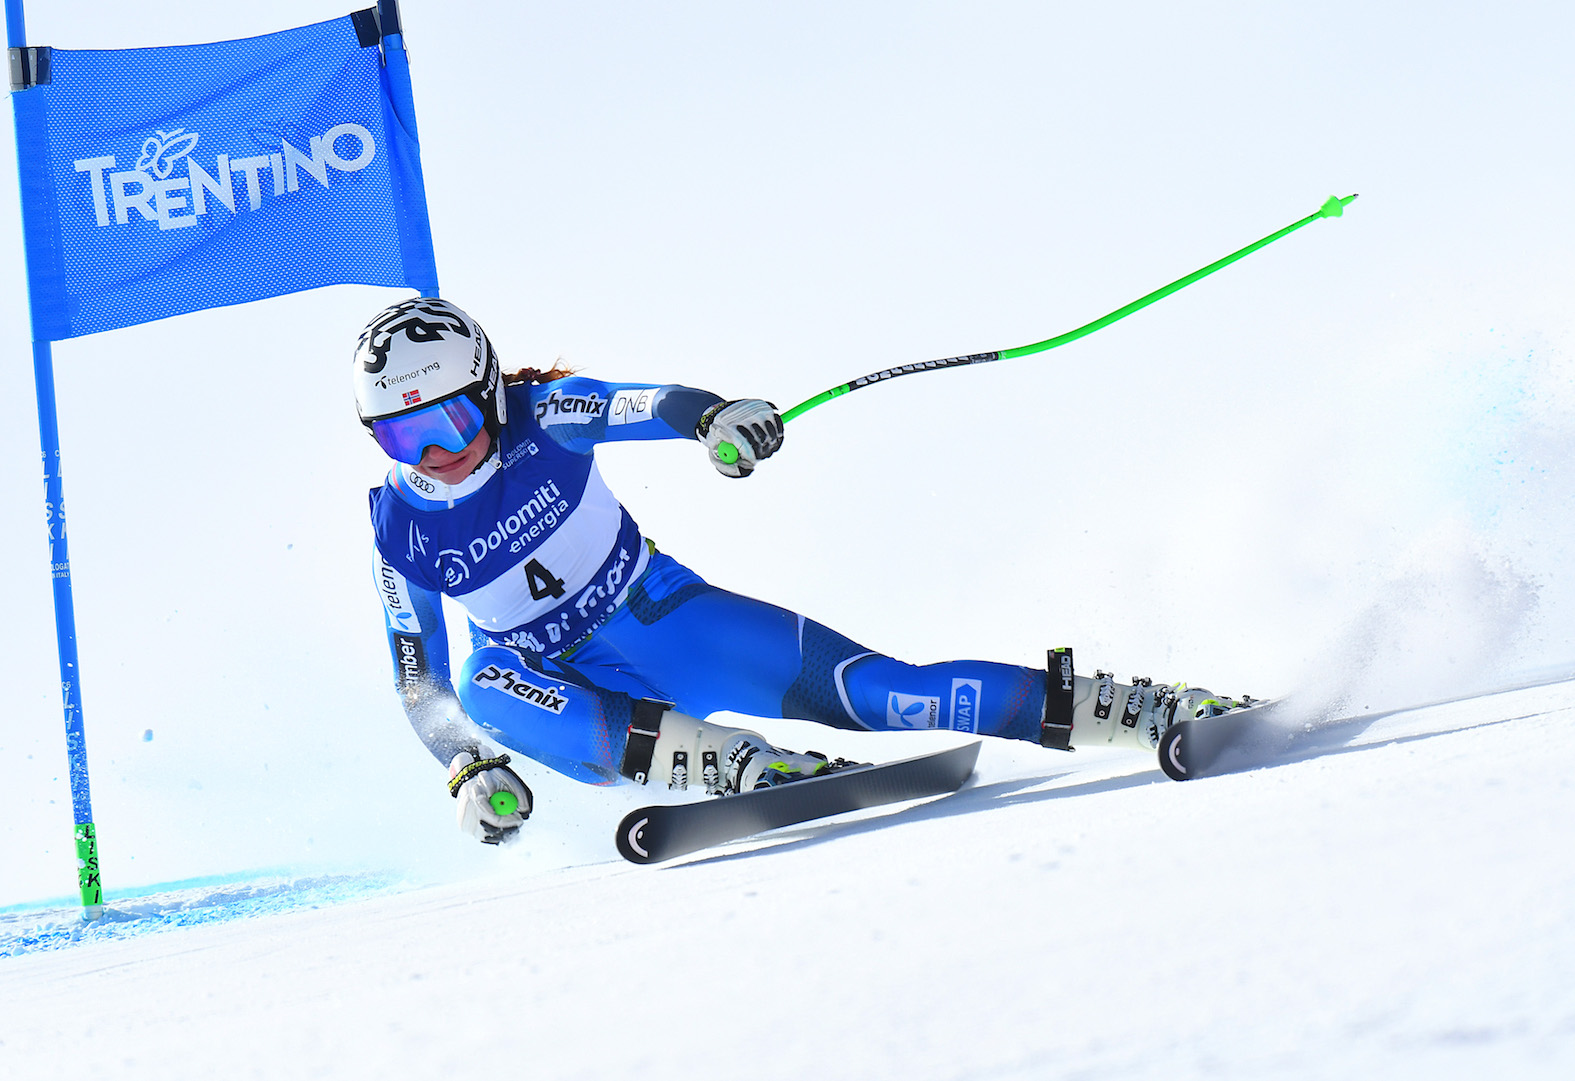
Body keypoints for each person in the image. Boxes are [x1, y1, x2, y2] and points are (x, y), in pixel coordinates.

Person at [356, 297, 1242, 843]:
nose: (430, 454)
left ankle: (1144, 710)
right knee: (478, 681)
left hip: (669, 622)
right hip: (563, 689)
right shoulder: (397, 526)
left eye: (442, 422)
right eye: (400, 436)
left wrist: (716, 421)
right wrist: (469, 769)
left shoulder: (544, 414)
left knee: (887, 693)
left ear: (486, 391)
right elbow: (417, 682)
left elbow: (650, 404)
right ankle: (733, 766)